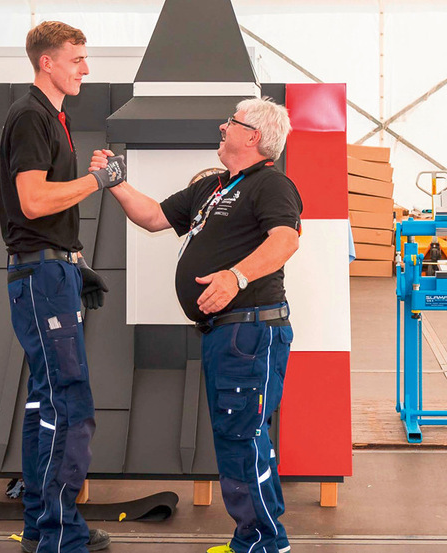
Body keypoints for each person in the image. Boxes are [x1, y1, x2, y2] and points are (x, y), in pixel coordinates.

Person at [93, 97, 301, 553]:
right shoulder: (214, 187)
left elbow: (285, 239)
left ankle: (267, 543)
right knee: (236, 437)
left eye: (232, 122)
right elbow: (152, 217)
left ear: (253, 136)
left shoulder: (270, 184)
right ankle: (252, 538)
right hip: (225, 334)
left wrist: (235, 275)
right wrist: (116, 183)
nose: (222, 127)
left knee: (244, 437)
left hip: (250, 331)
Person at [0, 21, 125, 553]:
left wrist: (74, 261)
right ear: (46, 62)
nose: (86, 69)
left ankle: (50, 526)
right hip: (42, 276)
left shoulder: (53, 117)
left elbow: (49, 204)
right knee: (65, 404)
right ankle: (53, 535)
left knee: (49, 402)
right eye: (77, 59)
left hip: (53, 273)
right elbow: (32, 201)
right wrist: (97, 182)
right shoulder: (32, 116)